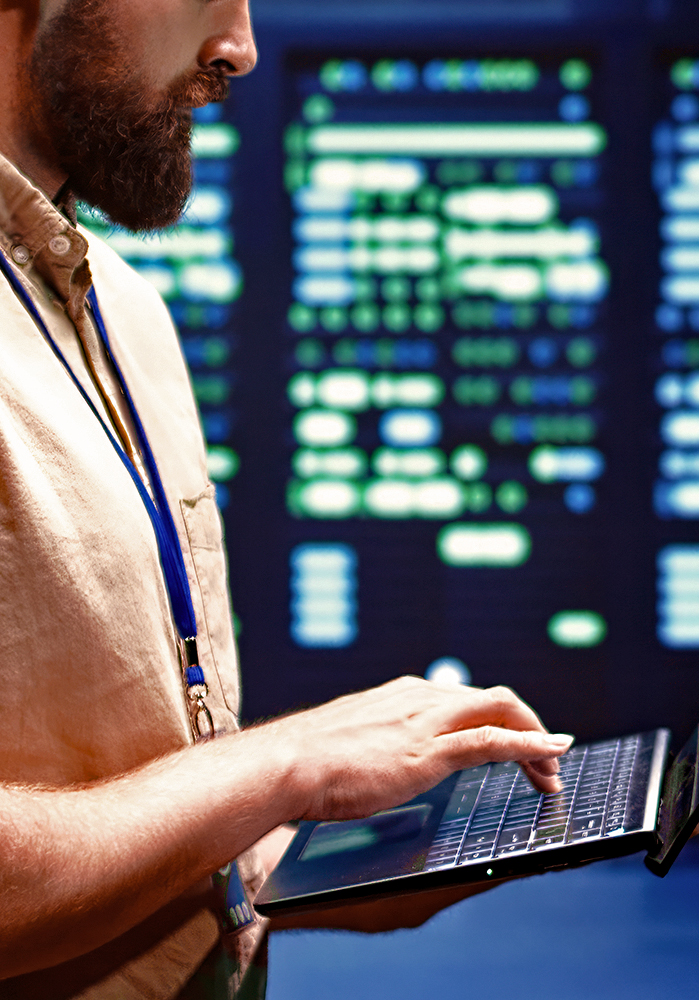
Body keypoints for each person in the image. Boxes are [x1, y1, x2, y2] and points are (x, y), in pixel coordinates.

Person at [0, 2, 573, 996]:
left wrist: (292, 867)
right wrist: (289, 765)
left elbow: (125, 769)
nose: (240, 47)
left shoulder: (124, 308)